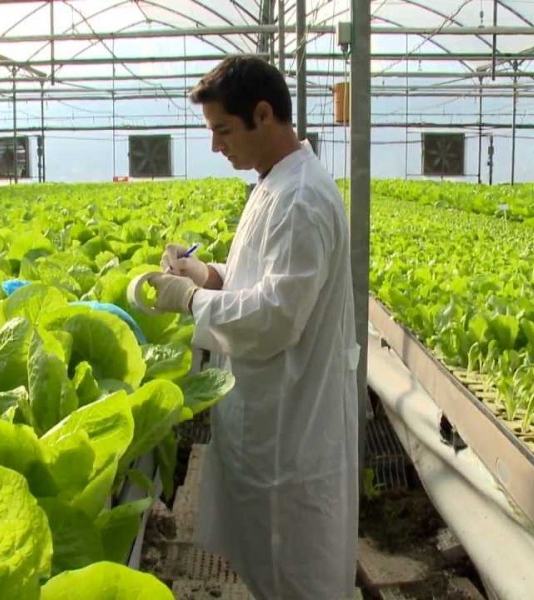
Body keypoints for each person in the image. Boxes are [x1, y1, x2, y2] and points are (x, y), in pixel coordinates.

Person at [147, 55, 361, 600]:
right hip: (267, 423)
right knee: (272, 572)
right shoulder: (275, 183)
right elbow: (261, 280)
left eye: (223, 129)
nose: (217, 145)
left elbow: (273, 317)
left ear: (264, 115)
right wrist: (206, 273)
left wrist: (191, 300)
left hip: (289, 435)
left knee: (295, 573)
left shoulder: (301, 199)